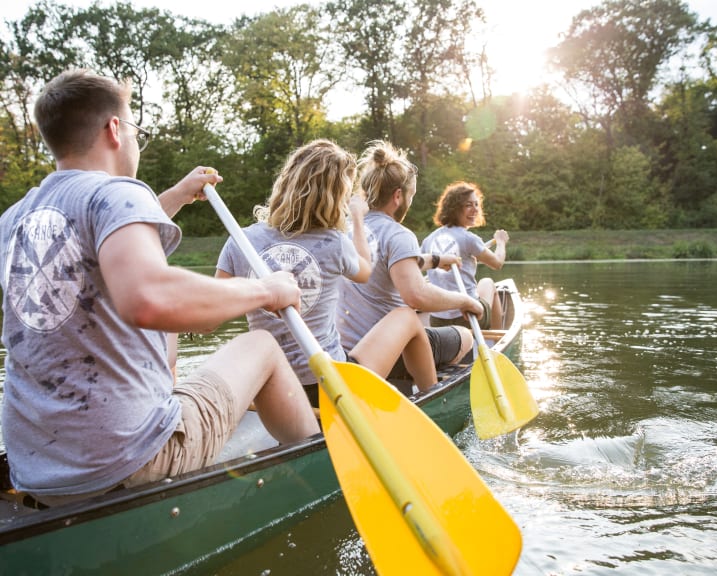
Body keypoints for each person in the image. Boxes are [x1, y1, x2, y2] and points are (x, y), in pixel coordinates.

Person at [0, 69, 319, 507]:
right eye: (136, 130)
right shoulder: (117, 193)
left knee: (166, 360)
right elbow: (150, 298)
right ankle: (322, 476)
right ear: (115, 129)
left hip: (38, 473)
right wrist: (265, 290)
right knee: (262, 344)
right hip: (126, 463)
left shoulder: (14, 219)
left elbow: (105, 247)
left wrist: (177, 196)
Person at [215, 139, 438, 404]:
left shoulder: (241, 241)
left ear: (285, 181)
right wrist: (356, 217)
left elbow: (210, 318)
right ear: (336, 195)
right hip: (329, 383)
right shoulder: (335, 242)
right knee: (407, 316)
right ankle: (433, 401)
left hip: (271, 385)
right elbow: (365, 271)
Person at [337, 140, 482, 378]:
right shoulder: (397, 233)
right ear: (397, 196)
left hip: (346, 349)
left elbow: (383, 264)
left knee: (421, 322)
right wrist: (465, 301)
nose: (410, 202)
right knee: (465, 336)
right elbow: (417, 296)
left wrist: (435, 260)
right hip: (388, 353)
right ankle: (426, 385)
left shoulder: (350, 228)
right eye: (410, 195)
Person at [421, 181, 509, 330]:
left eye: (476, 204)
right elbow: (497, 263)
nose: (475, 210)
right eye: (468, 205)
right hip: (468, 318)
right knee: (487, 282)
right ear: (454, 209)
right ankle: (496, 340)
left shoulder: (428, 240)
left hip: (437, 320)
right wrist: (501, 242)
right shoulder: (469, 239)